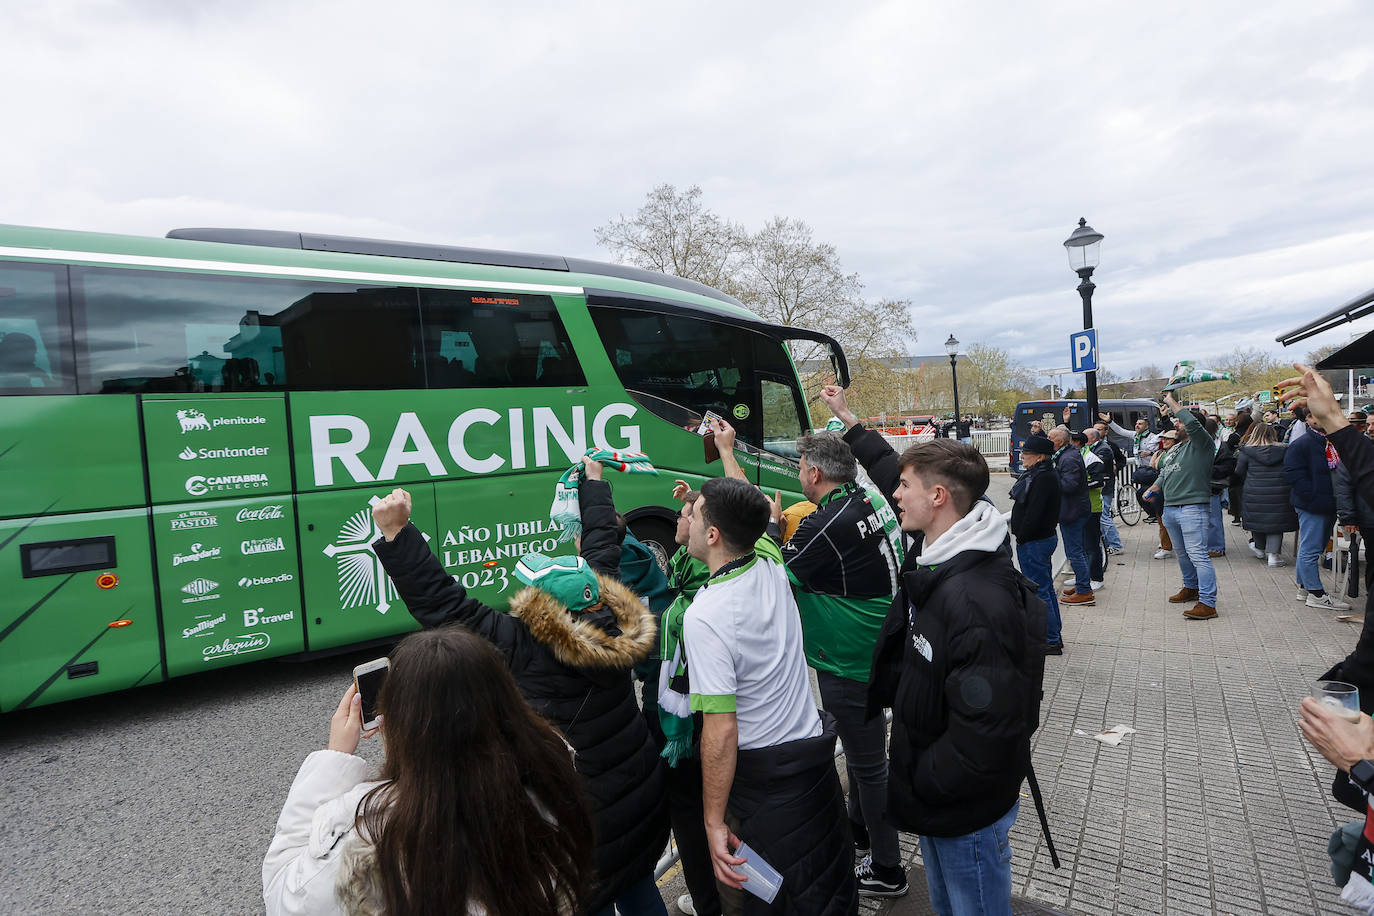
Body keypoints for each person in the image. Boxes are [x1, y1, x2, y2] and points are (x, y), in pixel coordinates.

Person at [369, 473, 670, 916]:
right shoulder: (611, 613)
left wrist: (396, 533)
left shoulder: (520, 645)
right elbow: (602, 546)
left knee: (595, 901)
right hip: (641, 802)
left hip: (583, 818)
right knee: (642, 890)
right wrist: (593, 484)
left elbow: (444, 606)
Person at [820, 384, 1046, 916]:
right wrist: (849, 420)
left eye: (904, 487)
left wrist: (923, 781)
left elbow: (987, 731)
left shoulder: (976, 598)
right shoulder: (944, 548)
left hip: (959, 805)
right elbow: (885, 466)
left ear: (939, 497)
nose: (893, 494)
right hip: (943, 797)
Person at [262, 626, 596, 916]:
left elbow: (285, 896)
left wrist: (334, 758)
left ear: (400, 724)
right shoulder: (551, 771)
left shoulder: (369, 837)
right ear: (505, 699)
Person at [684, 476, 857, 914]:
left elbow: (720, 730)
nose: (686, 514)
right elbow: (755, 511)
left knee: (757, 898)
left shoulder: (706, 614)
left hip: (763, 791)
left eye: (694, 510)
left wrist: (712, 821)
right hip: (811, 768)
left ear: (712, 534)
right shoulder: (769, 562)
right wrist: (726, 450)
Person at [765, 432, 907, 898]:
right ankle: (860, 831)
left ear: (813, 473)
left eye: (802, 463)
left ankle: (887, 869)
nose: (801, 470)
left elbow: (773, 575)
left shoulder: (825, 523)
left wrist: (769, 527)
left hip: (851, 661)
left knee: (869, 768)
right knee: (870, 761)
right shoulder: (864, 496)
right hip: (881, 647)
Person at [1142, 393, 1218, 620]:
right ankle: (1190, 588)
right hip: (1172, 508)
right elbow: (1166, 472)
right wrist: (1154, 487)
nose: (1178, 424)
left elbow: (1192, 422)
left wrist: (1173, 403)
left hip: (1193, 508)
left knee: (1197, 555)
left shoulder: (1202, 443)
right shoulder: (1176, 448)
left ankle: (1208, 602)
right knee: (1183, 554)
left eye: (1181, 422)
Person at [1285, 415, 1350, 610]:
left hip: (1328, 503)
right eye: (1316, 415)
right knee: (1311, 549)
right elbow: (1292, 473)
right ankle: (1316, 593)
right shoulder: (1303, 444)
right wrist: (1312, 496)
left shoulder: (1331, 442)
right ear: (1308, 418)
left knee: (1312, 546)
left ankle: (1305, 588)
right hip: (1313, 504)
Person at [1010, 433, 1063, 654]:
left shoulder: (1043, 478)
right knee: (1046, 588)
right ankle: (1054, 634)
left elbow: (1035, 512)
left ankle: (1050, 639)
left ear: (1040, 456)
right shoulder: (1042, 474)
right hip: (1040, 539)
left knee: (1039, 591)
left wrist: (1021, 536)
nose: (1022, 457)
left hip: (1035, 541)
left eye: (1026, 454)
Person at [1236, 422, 1297, 567]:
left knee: (1257, 520)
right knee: (1276, 523)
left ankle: (1259, 549)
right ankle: (1273, 556)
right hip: (1280, 492)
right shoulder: (1285, 450)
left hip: (1254, 491)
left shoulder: (1247, 451)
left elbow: (1239, 472)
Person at [1050, 425, 1095, 605]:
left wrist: (1051, 476)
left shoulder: (1068, 458)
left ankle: (1084, 591)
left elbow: (1069, 485)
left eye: (1050, 438)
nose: (1048, 440)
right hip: (1074, 509)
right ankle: (1082, 583)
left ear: (1059, 442)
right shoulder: (1066, 454)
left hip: (1073, 511)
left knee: (1075, 551)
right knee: (1077, 551)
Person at [1206, 416, 1237, 557]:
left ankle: (1216, 546)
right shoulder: (1194, 445)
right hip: (1195, 488)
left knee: (1213, 519)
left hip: (1213, 487)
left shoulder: (1221, 447)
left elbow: (1228, 467)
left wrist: (1207, 470)